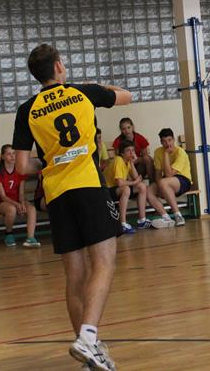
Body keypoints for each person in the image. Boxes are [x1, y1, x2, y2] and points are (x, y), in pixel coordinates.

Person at [12, 44, 130, 371]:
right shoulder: (82, 93)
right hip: (88, 185)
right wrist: (95, 86)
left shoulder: (27, 109)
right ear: (59, 66)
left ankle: (90, 356)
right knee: (103, 263)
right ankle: (88, 337)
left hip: (56, 193)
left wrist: (53, 161)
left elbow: (22, 166)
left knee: (74, 275)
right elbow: (127, 96)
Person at [0, 144, 40, 248]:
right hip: (4, 202)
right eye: (8, 154)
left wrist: (22, 203)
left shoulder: (19, 170)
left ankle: (30, 238)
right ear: (2, 156)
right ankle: (8, 234)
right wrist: (17, 205)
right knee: (12, 209)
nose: (12, 156)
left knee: (31, 209)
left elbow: (21, 193)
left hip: (18, 199)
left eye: (14, 153)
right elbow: (3, 196)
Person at [146, 128, 193, 228]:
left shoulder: (180, 152)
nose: (167, 144)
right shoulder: (158, 152)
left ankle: (178, 216)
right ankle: (166, 218)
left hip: (183, 180)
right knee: (148, 190)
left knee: (163, 182)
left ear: (174, 140)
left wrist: (166, 154)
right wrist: (160, 188)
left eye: (169, 140)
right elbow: (158, 174)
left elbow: (169, 174)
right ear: (161, 142)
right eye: (164, 141)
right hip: (166, 182)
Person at [104, 140, 149, 235]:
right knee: (126, 189)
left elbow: (136, 177)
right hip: (106, 191)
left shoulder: (127, 161)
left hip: (117, 189)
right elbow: (120, 183)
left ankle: (142, 220)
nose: (132, 153)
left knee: (142, 186)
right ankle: (123, 224)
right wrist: (134, 182)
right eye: (128, 150)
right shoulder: (118, 160)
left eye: (133, 150)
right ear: (122, 153)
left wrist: (132, 163)